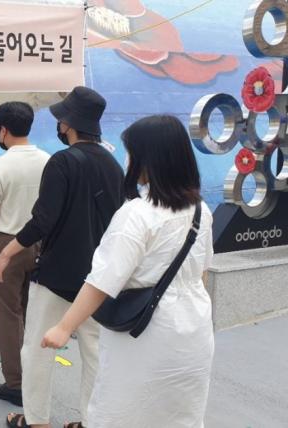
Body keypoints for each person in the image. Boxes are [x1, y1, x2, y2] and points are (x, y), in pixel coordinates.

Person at [41, 115, 215, 428]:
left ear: (148, 159)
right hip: (194, 328)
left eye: (132, 152)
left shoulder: (136, 214)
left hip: (144, 332)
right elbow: (201, 272)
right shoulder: (201, 210)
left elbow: (102, 281)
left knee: (125, 410)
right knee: (180, 412)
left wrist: (64, 327)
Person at [0, 87, 125, 428]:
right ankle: (91, 421)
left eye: (61, 120)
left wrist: (7, 251)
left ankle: (37, 420)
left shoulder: (62, 162)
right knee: (94, 351)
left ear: (69, 124)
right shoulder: (114, 166)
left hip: (57, 274)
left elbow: (43, 220)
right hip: (99, 277)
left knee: (38, 349)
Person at [0, 102, 49, 406]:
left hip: (7, 245)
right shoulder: (48, 161)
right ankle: (34, 376)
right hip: (41, 244)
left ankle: (15, 383)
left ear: (3, 130)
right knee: (32, 313)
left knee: (8, 314)